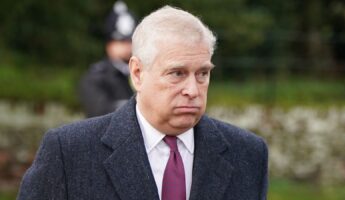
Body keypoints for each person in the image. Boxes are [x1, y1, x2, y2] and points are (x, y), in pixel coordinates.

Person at [17, 5, 268, 200]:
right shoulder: (69, 152)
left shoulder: (248, 154)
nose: (193, 90)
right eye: (177, 73)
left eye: (202, 73)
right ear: (137, 73)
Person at [79, 1, 135, 118]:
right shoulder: (96, 77)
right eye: (121, 41)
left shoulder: (143, 73)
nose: (127, 46)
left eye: (130, 41)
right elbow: (98, 113)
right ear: (109, 44)